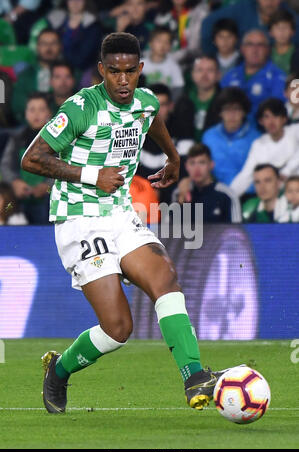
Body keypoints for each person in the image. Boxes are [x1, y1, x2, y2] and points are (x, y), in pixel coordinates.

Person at [21, 32, 228, 414]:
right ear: (101, 70)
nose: (122, 80)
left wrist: (174, 158)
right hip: (79, 219)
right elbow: (31, 159)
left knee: (165, 278)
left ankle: (194, 375)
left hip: (119, 213)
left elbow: (153, 122)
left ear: (140, 70)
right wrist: (91, 175)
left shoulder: (145, 102)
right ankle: (59, 369)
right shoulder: (81, 106)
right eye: (114, 71)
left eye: (130, 72)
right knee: (118, 329)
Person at [1, 92, 53, 224]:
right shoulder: (17, 138)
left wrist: (46, 187)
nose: (36, 114)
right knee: (7, 206)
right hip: (18, 198)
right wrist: (15, 183)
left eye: (41, 109)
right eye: (32, 109)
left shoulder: (56, 140)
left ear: (49, 113)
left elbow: (64, 167)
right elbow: (6, 166)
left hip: (47, 198)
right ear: (25, 113)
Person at [137, 83, 194, 203]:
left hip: (173, 193)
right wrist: (149, 190)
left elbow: (185, 168)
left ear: (171, 106)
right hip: (142, 194)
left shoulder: (183, 131)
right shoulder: (135, 130)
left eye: (162, 105)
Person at [231, 98, 299, 196]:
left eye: (275, 116)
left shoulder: (296, 131)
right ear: (261, 122)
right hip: (279, 197)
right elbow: (245, 176)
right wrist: (228, 197)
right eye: (266, 117)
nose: (271, 121)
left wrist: (286, 171)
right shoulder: (258, 145)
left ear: (284, 119)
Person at [202, 87, 260, 192]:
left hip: (247, 194)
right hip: (215, 193)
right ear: (220, 112)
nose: (232, 114)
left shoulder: (256, 138)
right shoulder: (209, 136)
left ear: (244, 112)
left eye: (237, 109)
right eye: (227, 109)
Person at [221, 29, 287, 119]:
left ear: (268, 50)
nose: (255, 50)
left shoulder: (278, 78)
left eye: (260, 45)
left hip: (262, 129)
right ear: (242, 49)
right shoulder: (230, 75)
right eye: (250, 44)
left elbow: (277, 112)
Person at [173, 143, 242, 223]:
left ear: (211, 165)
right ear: (186, 166)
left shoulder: (227, 195)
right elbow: (168, 230)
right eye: (192, 163)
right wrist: (181, 199)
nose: (197, 169)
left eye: (202, 162)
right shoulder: (178, 193)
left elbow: (237, 232)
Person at [201, 0, 299, 55]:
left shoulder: (292, 18)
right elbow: (207, 24)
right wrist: (213, 57)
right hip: (241, 66)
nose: (269, 2)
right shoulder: (243, 8)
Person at [12, 28, 62, 124]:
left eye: (53, 43)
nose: (49, 48)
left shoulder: (69, 74)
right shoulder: (25, 75)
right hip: (27, 126)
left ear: (60, 46)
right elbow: (17, 105)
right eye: (44, 44)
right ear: (37, 47)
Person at [180, 56, 221, 142]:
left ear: (218, 75)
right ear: (192, 74)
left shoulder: (224, 102)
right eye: (199, 70)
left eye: (210, 70)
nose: (204, 75)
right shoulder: (183, 101)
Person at [142, 27, 184, 101]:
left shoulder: (174, 66)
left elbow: (178, 88)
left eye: (166, 42)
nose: (162, 45)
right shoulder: (140, 64)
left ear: (170, 46)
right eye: (159, 41)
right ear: (150, 43)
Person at [269, 10, 299, 75]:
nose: (282, 32)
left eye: (286, 27)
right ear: (270, 32)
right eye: (277, 28)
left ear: (293, 31)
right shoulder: (265, 52)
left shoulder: (297, 53)